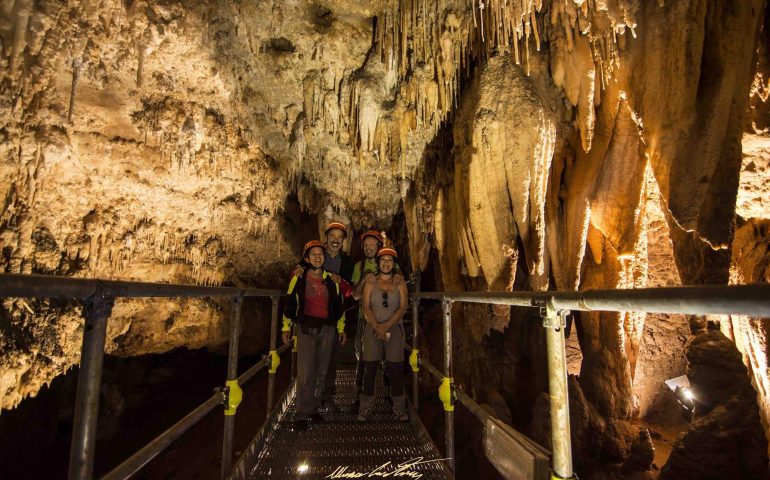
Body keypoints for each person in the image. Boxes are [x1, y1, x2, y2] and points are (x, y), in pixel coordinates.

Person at [281, 240, 347, 431]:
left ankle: (314, 408)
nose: (317, 257)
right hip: (305, 329)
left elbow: (338, 307)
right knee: (305, 371)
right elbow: (289, 304)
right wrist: (286, 327)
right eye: (314, 254)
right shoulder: (299, 278)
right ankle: (301, 413)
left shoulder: (332, 280)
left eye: (320, 254)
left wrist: (341, 329)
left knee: (321, 371)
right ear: (307, 258)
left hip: (326, 329)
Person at [357, 246, 409, 422]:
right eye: (383, 260)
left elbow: (403, 307)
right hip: (373, 327)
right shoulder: (371, 281)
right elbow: (366, 306)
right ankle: (365, 408)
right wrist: (377, 326)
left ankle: (399, 408)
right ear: (379, 263)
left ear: (394, 264)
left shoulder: (399, 282)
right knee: (370, 368)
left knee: (395, 369)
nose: (386, 263)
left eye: (389, 261)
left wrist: (386, 325)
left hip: (393, 327)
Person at [351, 230, 403, 399]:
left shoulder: (391, 264)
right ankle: (360, 392)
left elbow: (401, 282)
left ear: (379, 246)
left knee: (390, 357)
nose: (368, 248)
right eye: (366, 245)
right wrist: (364, 280)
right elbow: (356, 295)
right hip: (365, 318)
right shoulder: (358, 267)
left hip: (389, 319)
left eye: (372, 244)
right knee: (364, 356)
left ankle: (389, 391)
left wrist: (398, 277)